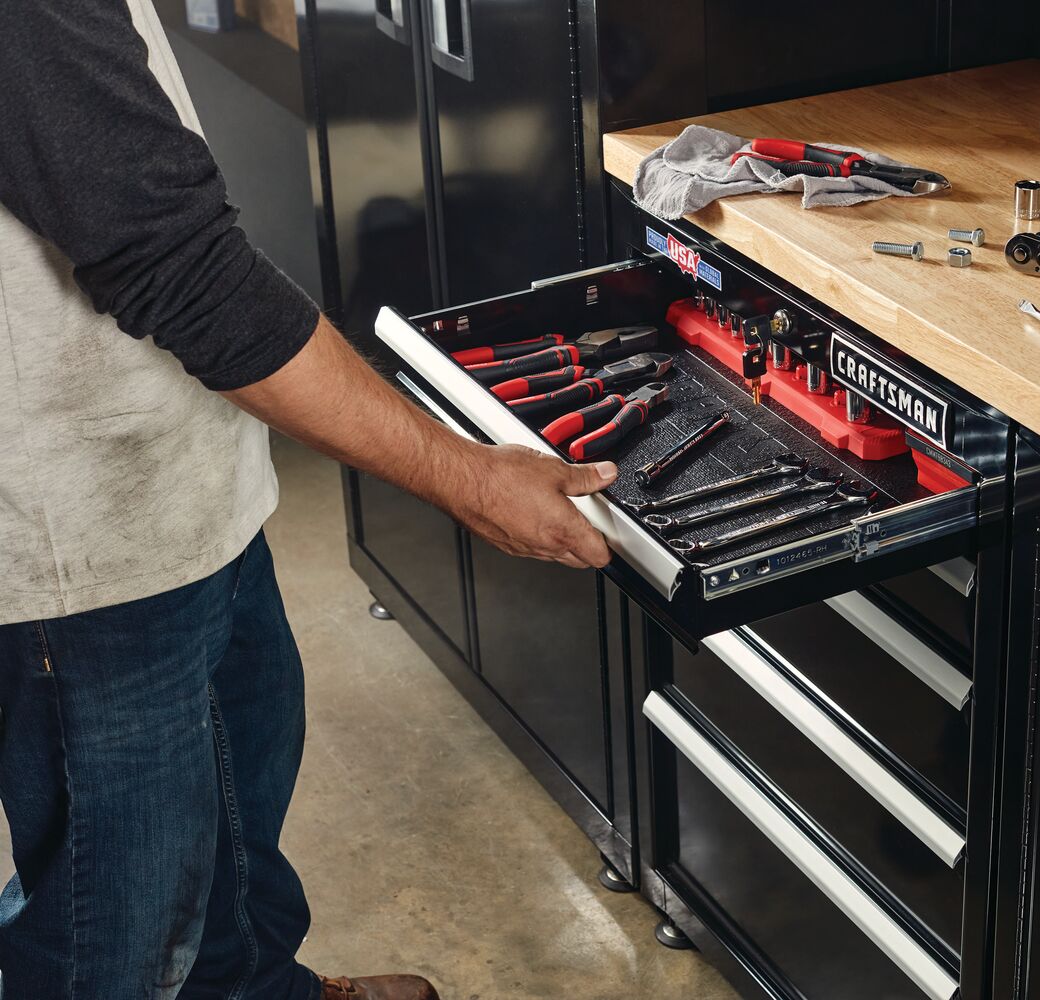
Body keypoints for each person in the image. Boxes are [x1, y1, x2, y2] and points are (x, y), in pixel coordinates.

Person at [0, 2, 615, 998]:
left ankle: (250, 986)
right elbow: (178, 265)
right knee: (111, 927)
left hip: (180, 476)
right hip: (79, 545)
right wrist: (464, 476)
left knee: (236, 815)